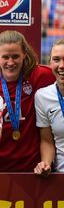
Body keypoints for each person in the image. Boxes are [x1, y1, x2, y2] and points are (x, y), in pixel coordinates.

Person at [0, 30, 55, 172]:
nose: (10, 62)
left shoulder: (41, 75)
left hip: (34, 169)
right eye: (5, 57)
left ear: (24, 54)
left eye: (15, 56)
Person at [35, 39, 64, 176]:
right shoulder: (42, 96)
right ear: (50, 63)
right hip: (60, 177)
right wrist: (45, 163)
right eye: (56, 60)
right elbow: (47, 140)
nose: (61, 66)